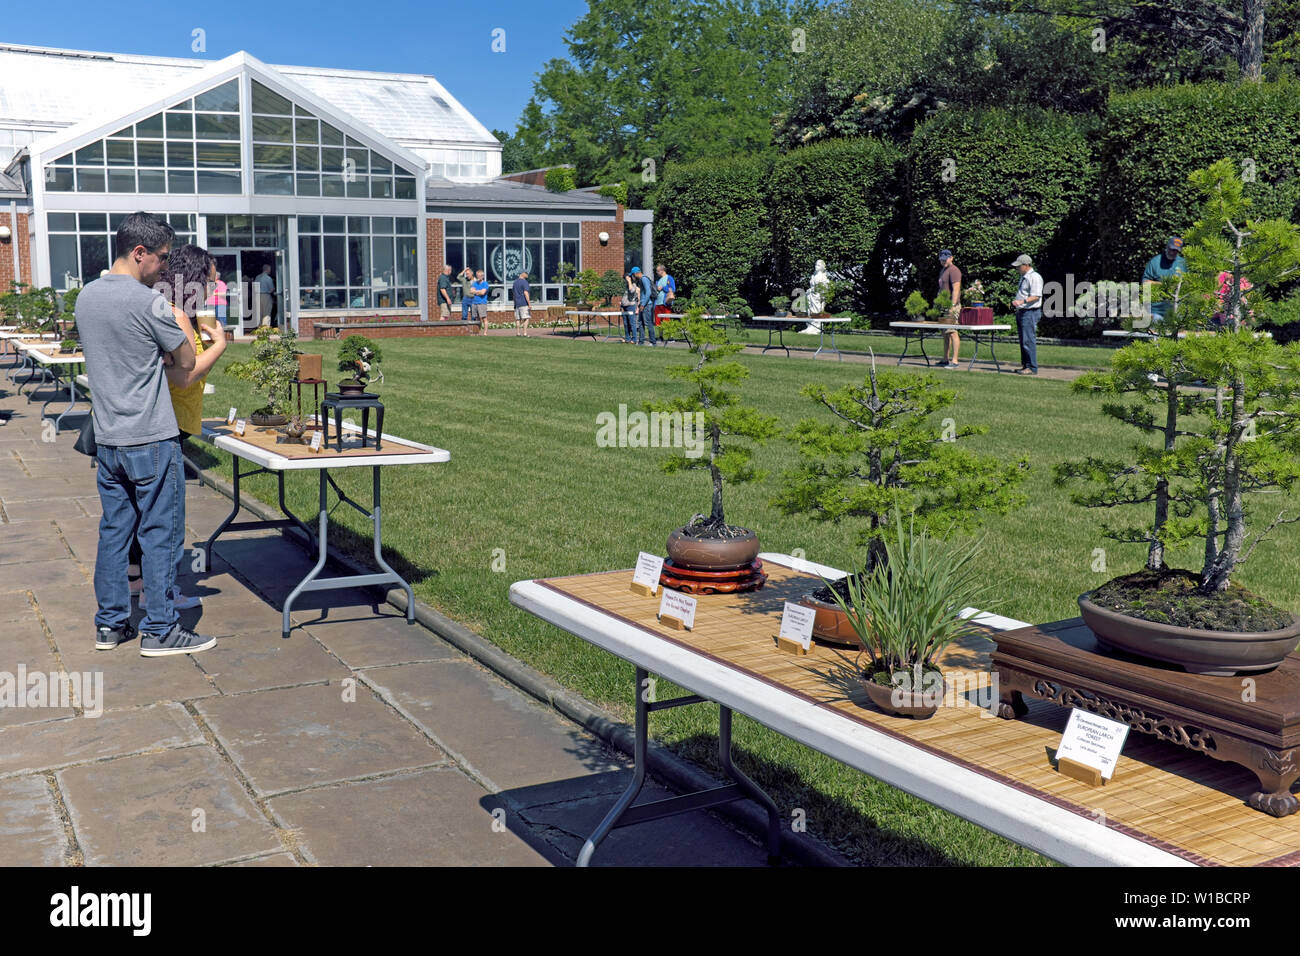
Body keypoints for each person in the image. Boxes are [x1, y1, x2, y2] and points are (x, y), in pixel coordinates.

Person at [77, 212, 215, 657]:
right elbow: (186, 363)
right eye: (160, 258)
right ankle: (160, 630)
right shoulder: (149, 303)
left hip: (108, 438)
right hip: (152, 439)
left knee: (115, 533)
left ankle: (110, 626)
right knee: (161, 535)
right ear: (139, 253)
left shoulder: (86, 297)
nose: (163, 268)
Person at [126, 246, 230, 612]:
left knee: (140, 511)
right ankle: (161, 596)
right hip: (166, 422)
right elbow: (186, 376)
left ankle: (137, 583)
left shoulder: (176, 311)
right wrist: (219, 345)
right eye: (211, 278)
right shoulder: (172, 315)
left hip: (169, 419)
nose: (216, 284)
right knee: (160, 514)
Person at [1010, 253, 1043, 375]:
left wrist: (1021, 301)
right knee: (1023, 340)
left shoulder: (1035, 277)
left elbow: (1036, 296)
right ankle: (1025, 365)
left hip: (1030, 312)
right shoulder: (1024, 277)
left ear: (1026, 265)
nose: (1017, 268)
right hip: (1022, 311)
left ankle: (1032, 367)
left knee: (1028, 340)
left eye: (1019, 266)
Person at [1142, 236, 1186, 324]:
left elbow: (1189, 282)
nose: (1173, 252)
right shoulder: (1155, 262)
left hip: (1177, 309)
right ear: (1167, 247)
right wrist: (1164, 285)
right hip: (1157, 311)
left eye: (1176, 251)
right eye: (1171, 249)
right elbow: (1145, 283)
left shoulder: (1183, 263)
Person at [935, 249, 963, 368]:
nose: (943, 261)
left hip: (952, 306)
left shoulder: (954, 270)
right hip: (943, 306)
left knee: (952, 332)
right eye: (941, 259)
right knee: (945, 333)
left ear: (951, 258)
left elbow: (956, 289)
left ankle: (955, 361)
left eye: (945, 259)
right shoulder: (943, 270)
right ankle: (945, 359)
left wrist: (952, 306)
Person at [634, 266, 655, 346]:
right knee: (640, 322)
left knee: (648, 323)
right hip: (643, 304)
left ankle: (653, 342)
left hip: (647, 305)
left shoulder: (644, 279)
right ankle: (641, 341)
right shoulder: (641, 280)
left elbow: (648, 292)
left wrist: (643, 304)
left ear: (636, 273)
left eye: (633, 274)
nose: (633, 276)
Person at [653, 263, 676, 330]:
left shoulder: (669, 278)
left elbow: (673, 289)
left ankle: (669, 337)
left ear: (662, 270)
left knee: (666, 321)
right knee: (658, 322)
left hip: (665, 303)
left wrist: (663, 288)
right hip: (657, 303)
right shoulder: (658, 280)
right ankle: (660, 336)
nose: (656, 273)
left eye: (657, 271)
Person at [620, 271, 642, 343]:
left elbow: (631, 290)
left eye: (627, 277)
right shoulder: (624, 285)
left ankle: (634, 339)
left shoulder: (633, 285)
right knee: (626, 323)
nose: (626, 279)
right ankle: (627, 338)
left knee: (632, 323)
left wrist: (629, 281)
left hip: (631, 306)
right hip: (624, 306)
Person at [254, 263, 275, 327]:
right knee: (266, 312)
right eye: (270, 269)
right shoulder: (268, 278)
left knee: (259, 312)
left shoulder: (257, 277)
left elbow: (254, 286)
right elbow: (272, 289)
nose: (270, 271)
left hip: (257, 296)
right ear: (267, 269)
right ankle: (265, 329)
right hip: (266, 296)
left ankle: (259, 327)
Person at [512, 270, 532, 337]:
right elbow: (526, 293)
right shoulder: (524, 282)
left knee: (518, 319)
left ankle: (518, 333)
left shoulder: (515, 282)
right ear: (522, 274)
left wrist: (515, 303)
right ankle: (525, 333)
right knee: (526, 318)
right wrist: (529, 304)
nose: (527, 274)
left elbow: (513, 294)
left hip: (517, 303)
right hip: (523, 303)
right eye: (526, 273)